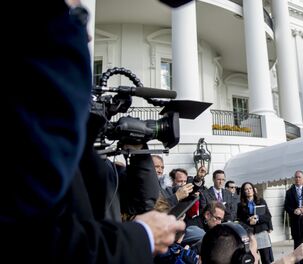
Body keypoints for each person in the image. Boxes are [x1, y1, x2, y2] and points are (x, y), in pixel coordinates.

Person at [3, 0, 186, 261]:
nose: (87, 35)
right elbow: (42, 243)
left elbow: (140, 202)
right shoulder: (29, 149)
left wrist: (135, 146)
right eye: (75, 18)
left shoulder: (80, 160)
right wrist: (141, 236)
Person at [237, 182, 274, 263]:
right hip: (250, 235)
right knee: (253, 259)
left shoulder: (261, 201)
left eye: (250, 188)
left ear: (253, 190)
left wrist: (257, 218)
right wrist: (249, 221)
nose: (249, 190)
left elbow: (268, 216)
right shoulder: (240, 205)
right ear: (243, 192)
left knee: (266, 259)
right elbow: (239, 221)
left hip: (262, 232)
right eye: (246, 189)